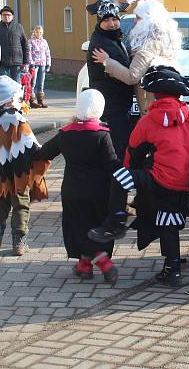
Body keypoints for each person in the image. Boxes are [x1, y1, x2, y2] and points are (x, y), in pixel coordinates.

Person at [88, 66, 189, 287]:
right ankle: (173, 271)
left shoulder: (147, 121)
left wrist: (133, 174)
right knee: (169, 220)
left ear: (155, 94)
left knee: (119, 176)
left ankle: (116, 220)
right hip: (180, 184)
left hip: (155, 179)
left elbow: (131, 155)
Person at [37, 89, 122, 284]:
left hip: (72, 190)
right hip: (99, 190)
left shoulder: (65, 134)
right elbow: (112, 164)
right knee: (97, 226)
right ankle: (103, 261)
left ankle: (85, 265)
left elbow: (45, 153)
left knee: (78, 226)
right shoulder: (102, 135)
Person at [0, 76, 50, 256]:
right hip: (18, 173)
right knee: (21, 204)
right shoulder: (18, 121)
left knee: (1, 200)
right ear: (11, 98)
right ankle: (19, 240)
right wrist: (45, 155)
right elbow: (31, 147)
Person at [92, 0, 182, 116]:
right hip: (165, 104)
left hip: (152, 107)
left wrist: (107, 61)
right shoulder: (161, 41)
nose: (134, 21)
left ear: (148, 21)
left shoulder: (147, 49)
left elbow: (131, 77)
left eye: (138, 18)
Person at [85, 0, 134, 158]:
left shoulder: (112, 37)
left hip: (119, 106)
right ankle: (115, 182)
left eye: (114, 19)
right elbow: (125, 71)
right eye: (106, 20)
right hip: (112, 109)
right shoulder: (101, 44)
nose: (112, 23)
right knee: (117, 151)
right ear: (99, 21)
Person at [0, 6, 29, 83]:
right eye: (4, 15)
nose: (6, 17)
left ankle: (18, 95)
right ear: (1, 16)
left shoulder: (18, 27)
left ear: (12, 16)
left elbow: (25, 45)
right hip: (2, 62)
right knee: (3, 84)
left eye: (8, 15)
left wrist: (26, 62)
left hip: (16, 62)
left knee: (16, 85)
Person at [28, 25, 51, 109]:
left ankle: (40, 101)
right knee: (33, 82)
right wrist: (31, 63)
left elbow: (47, 53)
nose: (39, 34)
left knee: (41, 83)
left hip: (43, 64)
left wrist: (48, 63)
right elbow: (29, 52)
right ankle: (31, 100)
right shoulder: (31, 41)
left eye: (40, 32)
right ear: (34, 32)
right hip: (34, 64)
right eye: (37, 32)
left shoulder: (44, 41)